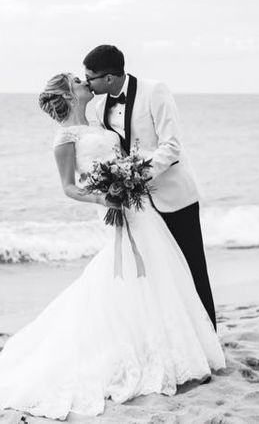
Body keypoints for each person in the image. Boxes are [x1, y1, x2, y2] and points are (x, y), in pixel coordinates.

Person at [0, 73, 225, 419]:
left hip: (140, 208)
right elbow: (69, 187)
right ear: (68, 95)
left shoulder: (101, 122)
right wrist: (105, 198)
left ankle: (170, 350)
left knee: (158, 272)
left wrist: (129, 179)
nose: (84, 82)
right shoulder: (64, 138)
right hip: (115, 206)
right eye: (77, 81)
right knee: (126, 273)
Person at [84, 44, 216, 329]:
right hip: (140, 207)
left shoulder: (154, 91)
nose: (87, 83)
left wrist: (136, 176)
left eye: (89, 78)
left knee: (193, 269)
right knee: (161, 275)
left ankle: (210, 335)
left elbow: (172, 146)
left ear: (108, 78)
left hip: (175, 196)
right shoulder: (99, 108)